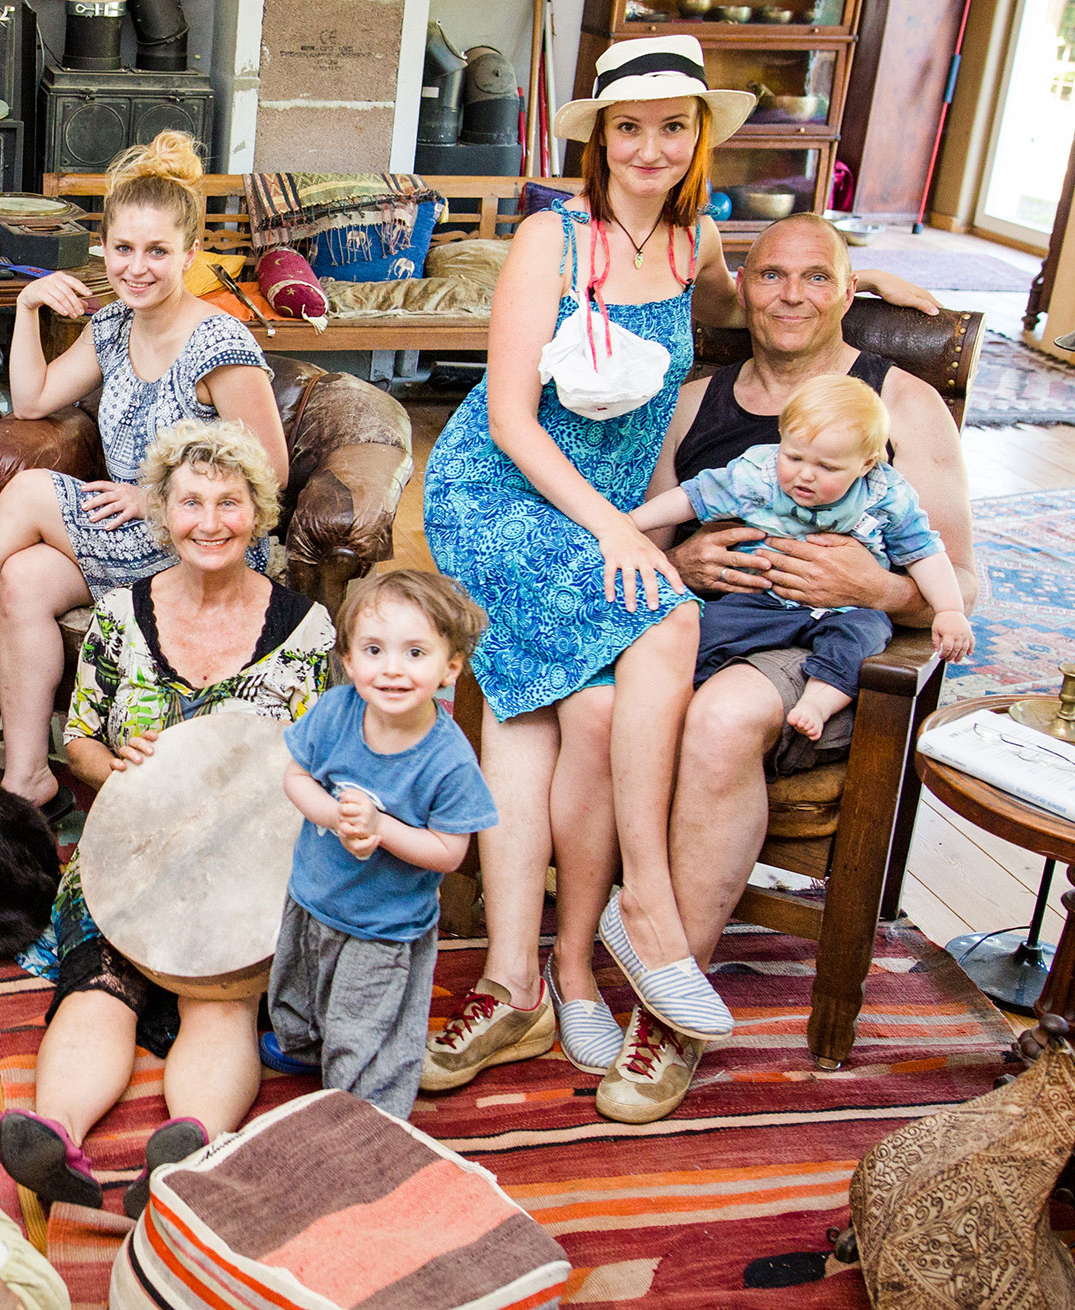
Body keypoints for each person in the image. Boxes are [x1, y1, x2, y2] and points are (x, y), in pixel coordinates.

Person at [416, 36, 940, 1103]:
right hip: (504, 491)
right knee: (664, 620)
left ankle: (538, 978)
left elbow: (756, 284)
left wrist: (862, 282)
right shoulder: (548, 240)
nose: (648, 146)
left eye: (671, 125)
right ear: (598, 138)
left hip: (606, 505)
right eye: (627, 125)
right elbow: (510, 420)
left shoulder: (698, 235)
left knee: (573, 709)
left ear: (698, 137)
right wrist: (615, 530)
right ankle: (641, 908)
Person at [623, 211, 975, 1122]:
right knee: (563, 687)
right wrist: (682, 565)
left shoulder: (899, 403)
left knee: (723, 718)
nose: (791, 294)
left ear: (848, 293)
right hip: (704, 620)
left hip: (818, 645)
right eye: (772, 275)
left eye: (816, 276)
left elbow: (959, 574)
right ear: (742, 288)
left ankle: (673, 999)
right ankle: (543, 972)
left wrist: (882, 586)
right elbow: (649, 527)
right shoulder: (699, 402)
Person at [0, 419, 332, 1220]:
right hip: (129, 849)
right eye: (190, 503)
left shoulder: (307, 630)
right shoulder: (119, 615)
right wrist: (114, 766)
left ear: (258, 512)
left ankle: (187, 1142)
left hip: (249, 871)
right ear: (161, 512)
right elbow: (76, 742)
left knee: (222, 998)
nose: (209, 522)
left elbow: (331, 763)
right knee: (96, 987)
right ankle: (56, 1132)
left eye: (229, 502)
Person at [0, 130, 290, 815]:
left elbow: (270, 473)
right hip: (129, 535)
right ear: (102, 250)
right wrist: (25, 308)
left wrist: (157, 498)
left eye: (157, 252)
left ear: (190, 255)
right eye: (123, 249)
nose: (137, 267)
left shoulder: (219, 343)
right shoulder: (113, 325)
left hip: (202, 539)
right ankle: (29, 778)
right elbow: (33, 399)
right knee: (23, 578)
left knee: (28, 490)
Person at [263, 571, 497, 1121]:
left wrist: (381, 829)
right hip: (313, 895)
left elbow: (450, 853)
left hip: (384, 924)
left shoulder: (449, 761)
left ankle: (362, 1114)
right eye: (373, 650)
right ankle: (306, 1045)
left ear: (450, 667)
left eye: (415, 652)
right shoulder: (336, 711)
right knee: (298, 989)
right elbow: (296, 778)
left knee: (362, 1024)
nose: (392, 668)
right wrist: (334, 817)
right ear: (348, 660)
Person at [630, 374, 974, 740]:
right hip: (760, 600)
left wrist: (949, 610)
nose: (804, 475)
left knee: (862, 637)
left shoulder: (885, 497)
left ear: (866, 463)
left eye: (827, 468)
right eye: (794, 457)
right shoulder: (760, 476)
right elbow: (692, 497)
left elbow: (925, 553)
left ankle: (818, 700)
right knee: (701, 630)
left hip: (847, 608)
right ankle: (679, 696)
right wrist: (630, 523)